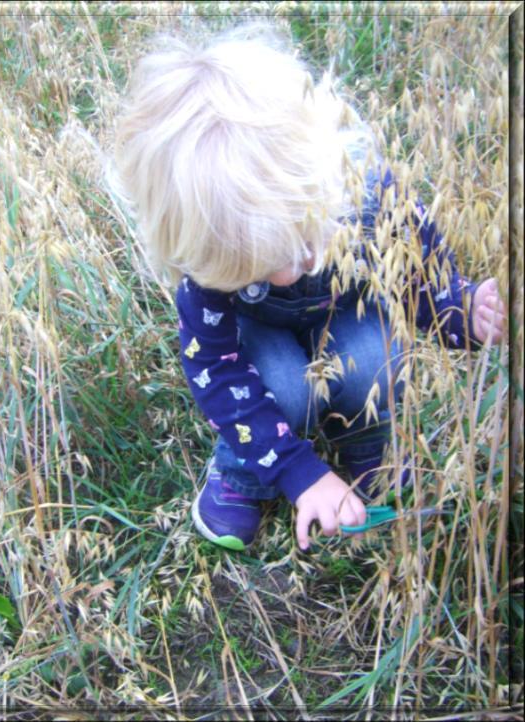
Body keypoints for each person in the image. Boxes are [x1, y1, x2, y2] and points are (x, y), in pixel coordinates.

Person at [112, 26, 506, 552]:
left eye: (303, 239)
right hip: (263, 337)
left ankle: (363, 434)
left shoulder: (369, 193)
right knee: (281, 386)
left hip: (344, 313)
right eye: (258, 266)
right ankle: (245, 473)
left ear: (324, 180)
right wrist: (302, 475)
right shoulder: (208, 252)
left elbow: (419, 281)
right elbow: (217, 370)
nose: (291, 272)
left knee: (377, 356)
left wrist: (462, 310)